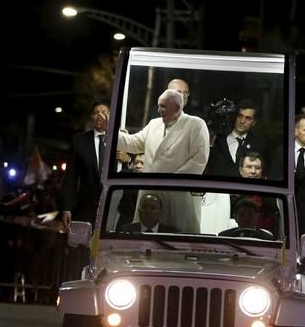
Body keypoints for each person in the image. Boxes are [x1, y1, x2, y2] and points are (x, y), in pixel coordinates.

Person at [117, 88, 209, 232]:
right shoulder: (154, 124)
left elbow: (199, 160)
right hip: (150, 194)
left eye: (163, 106)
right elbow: (133, 143)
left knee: (178, 240)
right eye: (159, 105)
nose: (159, 110)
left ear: (177, 107)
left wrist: (169, 181)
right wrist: (110, 133)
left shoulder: (195, 124)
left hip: (178, 195)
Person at [61, 100, 109, 228]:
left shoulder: (119, 139)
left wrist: (129, 160)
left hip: (112, 209)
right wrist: (67, 208)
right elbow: (71, 177)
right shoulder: (79, 141)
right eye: (96, 113)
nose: (100, 115)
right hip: (85, 208)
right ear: (91, 118)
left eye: (104, 112)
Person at [207, 99, 267, 177]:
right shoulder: (217, 140)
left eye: (248, 118)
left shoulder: (259, 145)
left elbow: (265, 173)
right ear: (235, 116)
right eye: (240, 116)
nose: (242, 121)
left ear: (254, 122)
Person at [115, 153, 144, 229]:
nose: (138, 166)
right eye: (136, 162)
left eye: (142, 163)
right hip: (124, 222)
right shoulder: (127, 174)